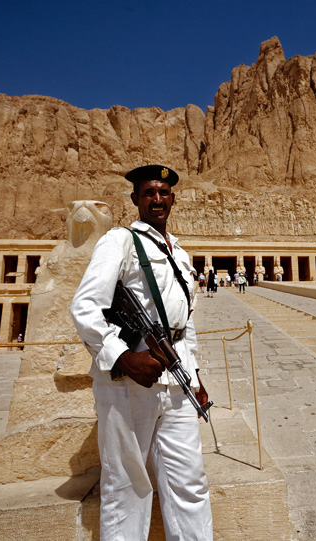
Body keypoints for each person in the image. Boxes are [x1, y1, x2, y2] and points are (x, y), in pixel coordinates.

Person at [70, 164, 212, 540]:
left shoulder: (180, 253)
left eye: (164, 192)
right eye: (149, 192)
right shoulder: (120, 240)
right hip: (129, 382)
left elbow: (185, 322)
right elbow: (85, 306)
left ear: (173, 198)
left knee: (190, 482)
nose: (157, 199)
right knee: (128, 486)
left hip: (177, 383)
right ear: (135, 199)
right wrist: (123, 358)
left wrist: (195, 376)